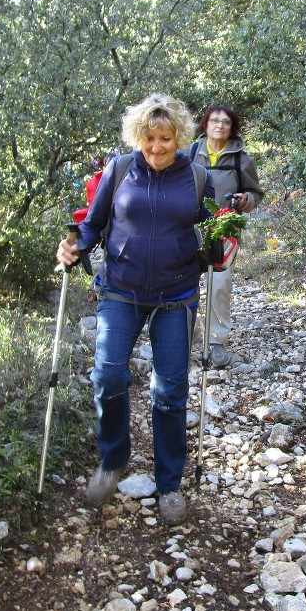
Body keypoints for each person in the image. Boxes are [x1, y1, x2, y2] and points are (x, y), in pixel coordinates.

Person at [56, 93, 213, 526]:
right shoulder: (120, 169)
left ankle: (169, 484)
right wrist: (74, 246)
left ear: (179, 137)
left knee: (170, 392)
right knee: (108, 376)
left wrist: (220, 243)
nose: (158, 147)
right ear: (138, 137)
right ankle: (113, 460)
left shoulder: (198, 177)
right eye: (149, 138)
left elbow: (214, 230)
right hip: (120, 290)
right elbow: (92, 223)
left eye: (165, 138)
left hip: (176, 294)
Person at [188, 105, 265, 368]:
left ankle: (215, 342)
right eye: (214, 121)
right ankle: (183, 338)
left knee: (219, 285)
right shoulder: (189, 154)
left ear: (232, 128)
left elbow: (255, 194)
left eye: (225, 122)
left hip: (225, 232)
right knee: (185, 283)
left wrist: (245, 201)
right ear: (205, 125)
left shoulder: (241, 160)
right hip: (189, 229)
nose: (219, 126)